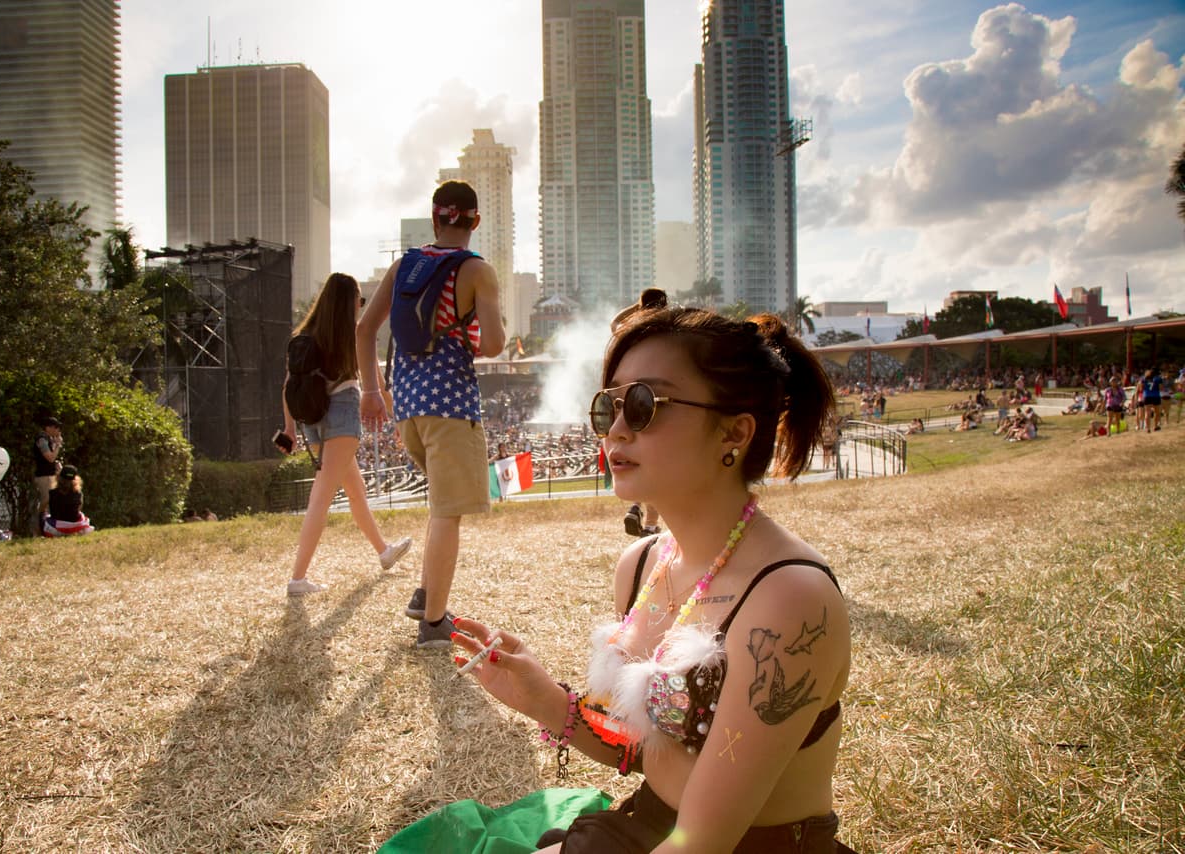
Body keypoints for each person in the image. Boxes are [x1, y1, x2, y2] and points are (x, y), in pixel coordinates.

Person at [453, 308, 852, 852]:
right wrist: (546, 700)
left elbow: (703, 842)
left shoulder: (789, 599)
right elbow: (647, 753)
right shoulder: (641, 565)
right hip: (647, 825)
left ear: (733, 431)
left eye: (644, 405)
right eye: (608, 407)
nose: (615, 430)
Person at [356, 181, 506, 647]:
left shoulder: (405, 265)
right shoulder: (477, 270)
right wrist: (470, 329)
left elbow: (364, 331)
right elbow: (496, 345)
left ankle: (426, 594)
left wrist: (370, 391)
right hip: (452, 406)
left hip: (408, 408)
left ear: (435, 217)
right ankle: (434, 624)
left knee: (440, 506)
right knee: (449, 512)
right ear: (474, 221)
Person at [280, 272, 412, 596]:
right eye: (360, 300)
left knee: (356, 489)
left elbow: (287, 385)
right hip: (341, 414)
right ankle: (297, 579)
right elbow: (378, 387)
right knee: (321, 497)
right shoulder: (354, 337)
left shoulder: (306, 335)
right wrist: (399, 421)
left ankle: (384, 551)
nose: (361, 306)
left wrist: (288, 428)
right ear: (350, 302)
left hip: (312, 419)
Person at [612, 288, 669, 539]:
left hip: (631, 398)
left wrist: (637, 308)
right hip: (656, 400)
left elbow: (614, 323)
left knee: (636, 456)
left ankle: (635, 505)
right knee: (655, 462)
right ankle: (650, 525)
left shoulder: (634, 329)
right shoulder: (667, 330)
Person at [32, 416, 64, 535]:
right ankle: (37, 525)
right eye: (56, 427)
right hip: (43, 476)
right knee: (46, 499)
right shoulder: (42, 439)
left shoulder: (48, 439)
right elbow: (50, 457)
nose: (58, 431)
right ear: (48, 427)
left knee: (52, 501)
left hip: (50, 474)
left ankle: (47, 528)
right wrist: (58, 445)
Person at [43, 465, 94, 536]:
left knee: (44, 515)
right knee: (81, 515)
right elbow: (79, 509)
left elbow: (43, 507)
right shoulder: (78, 494)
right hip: (75, 529)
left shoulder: (52, 493)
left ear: (59, 477)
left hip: (55, 530)